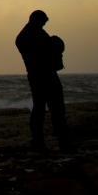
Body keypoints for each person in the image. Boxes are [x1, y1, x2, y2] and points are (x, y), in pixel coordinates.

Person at [15, 10, 71, 151]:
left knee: (44, 109)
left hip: (40, 76)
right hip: (42, 76)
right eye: (44, 21)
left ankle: (42, 141)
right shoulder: (30, 36)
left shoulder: (29, 35)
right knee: (53, 109)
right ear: (37, 19)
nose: (45, 24)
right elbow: (42, 53)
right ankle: (57, 142)